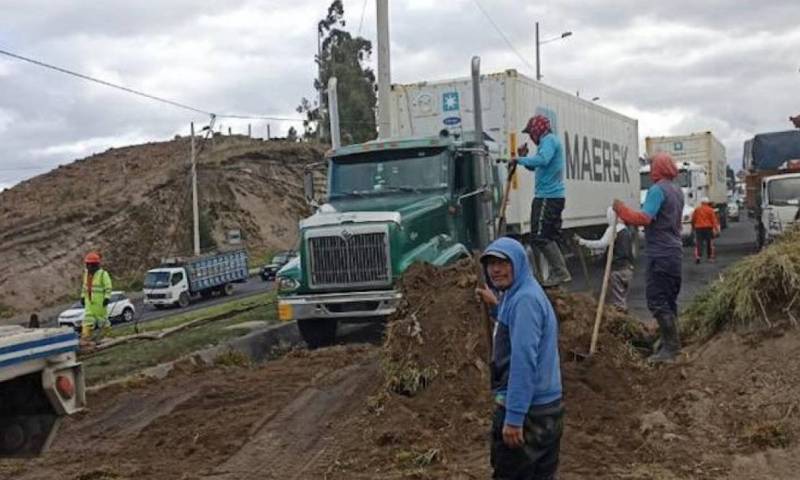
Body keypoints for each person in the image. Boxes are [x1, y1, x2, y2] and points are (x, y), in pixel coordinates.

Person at [475, 237, 564, 479]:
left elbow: (523, 363)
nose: (495, 270)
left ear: (518, 263)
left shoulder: (524, 301)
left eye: (503, 263)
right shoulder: (519, 294)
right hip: (546, 408)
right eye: (491, 264)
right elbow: (517, 325)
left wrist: (514, 418)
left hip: (530, 414)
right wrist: (495, 307)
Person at [613, 153, 684, 363]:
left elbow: (644, 218)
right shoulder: (676, 190)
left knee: (657, 300)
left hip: (660, 254)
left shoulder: (657, 190)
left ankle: (671, 349)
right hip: (674, 253)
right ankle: (668, 341)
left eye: (653, 165)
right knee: (669, 300)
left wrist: (621, 209)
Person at [511, 114, 571, 287]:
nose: (530, 136)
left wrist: (519, 159)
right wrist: (525, 158)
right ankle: (556, 273)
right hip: (552, 196)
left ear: (537, 130)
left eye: (531, 132)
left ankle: (559, 272)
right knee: (550, 236)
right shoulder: (547, 142)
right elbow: (537, 165)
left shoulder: (549, 140)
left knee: (539, 236)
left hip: (548, 197)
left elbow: (543, 160)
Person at [574, 207, 635, 312]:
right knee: (622, 298)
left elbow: (601, 244)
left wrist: (582, 241)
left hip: (616, 269)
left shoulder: (613, 229)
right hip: (627, 269)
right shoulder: (625, 230)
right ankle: (624, 316)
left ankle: (621, 320)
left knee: (617, 302)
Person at [80, 252, 113, 342]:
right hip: (89, 303)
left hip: (100, 303)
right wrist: (82, 296)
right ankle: (85, 339)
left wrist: (107, 298)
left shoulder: (103, 274)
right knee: (87, 321)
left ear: (96, 265)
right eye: (87, 265)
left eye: (91, 265)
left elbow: (108, 287)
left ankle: (108, 336)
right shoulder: (86, 274)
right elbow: (84, 287)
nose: (89, 267)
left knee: (103, 320)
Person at [691, 197, 720, 264]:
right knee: (709, 243)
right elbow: (713, 220)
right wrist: (717, 229)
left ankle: (698, 256)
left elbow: (693, 219)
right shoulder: (710, 210)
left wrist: (693, 227)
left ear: (701, 203)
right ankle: (709, 257)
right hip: (708, 228)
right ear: (707, 203)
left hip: (698, 228)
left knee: (699, 243)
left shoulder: (697, 209)